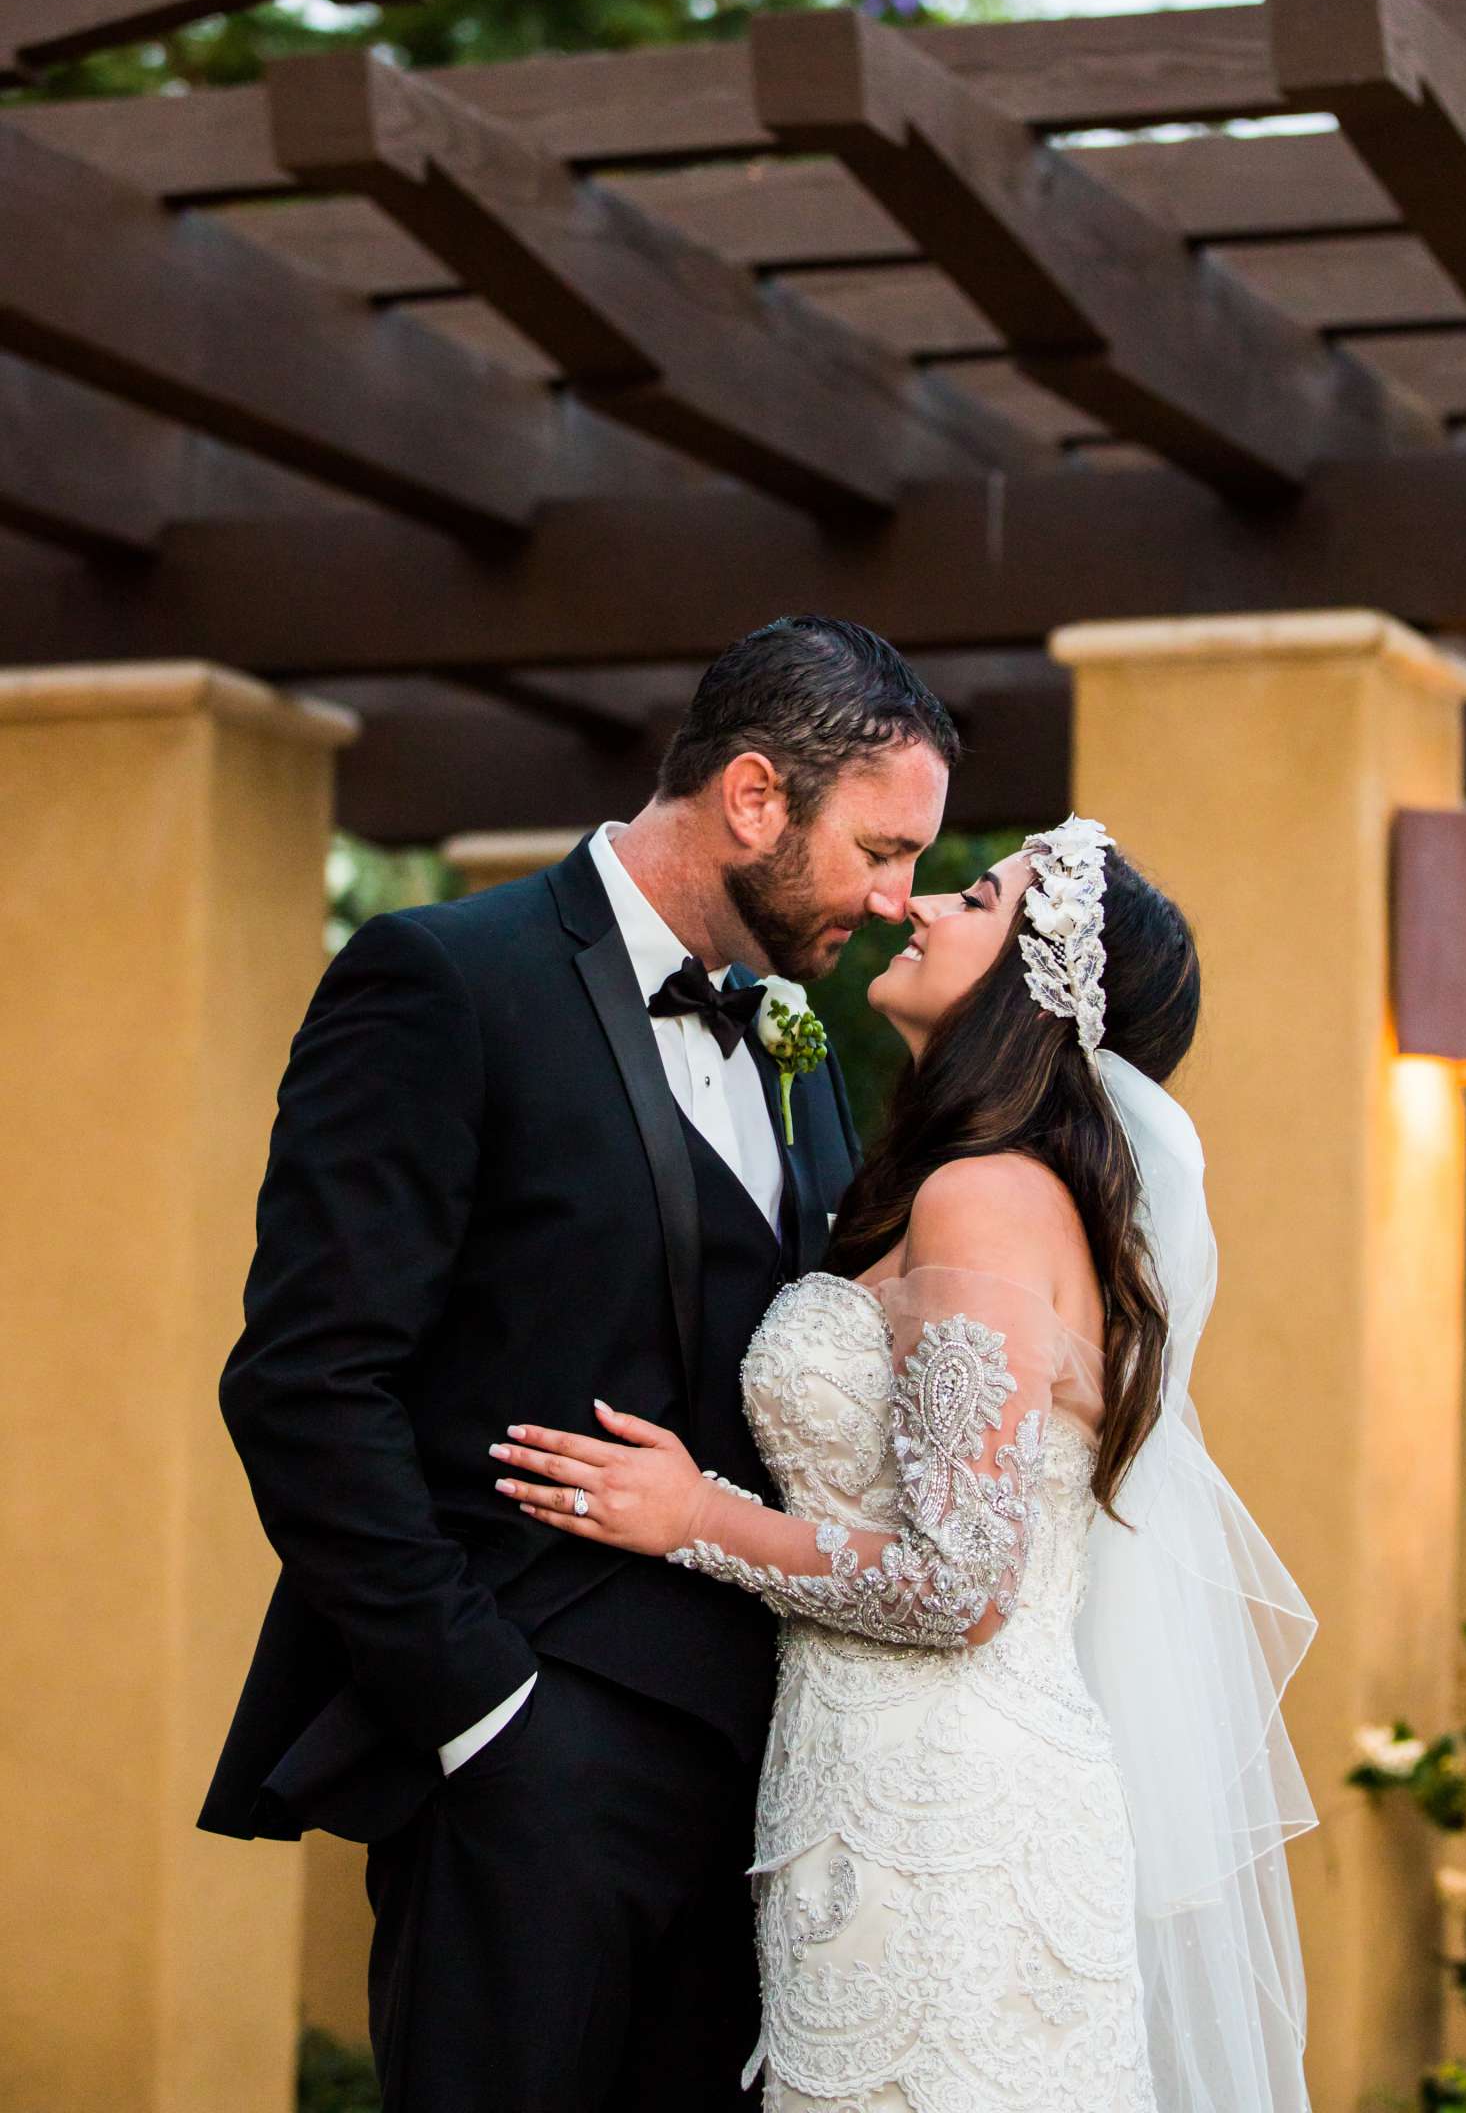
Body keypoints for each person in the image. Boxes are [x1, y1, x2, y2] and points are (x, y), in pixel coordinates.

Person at [198, 615, 956, 2113]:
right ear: (753, 798)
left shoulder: (796, 1046)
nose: (895, 900)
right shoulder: (442, 980)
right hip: (525, 1764)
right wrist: (485, 1713)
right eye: (880, 851)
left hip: (759, 1788)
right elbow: (304, 1380)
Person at [497, 817, 1319, 2112]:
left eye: (977, 898)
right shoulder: (954, 1183)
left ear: (1033, 985)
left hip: (949, 1828)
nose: (923, 907)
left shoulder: (984, 1200)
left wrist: (691, 1517)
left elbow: (958, 1586)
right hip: (870, 1801)